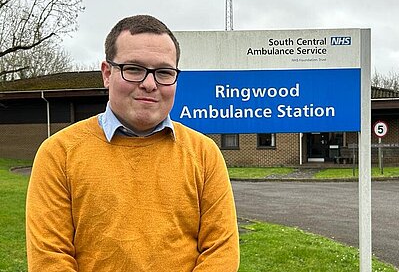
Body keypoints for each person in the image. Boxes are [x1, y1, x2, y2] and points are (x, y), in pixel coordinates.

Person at [26, 14, 240, 271]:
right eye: (134, 69)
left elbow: (221, 251)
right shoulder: (59, 153)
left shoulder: (204, 154)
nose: (150, 84)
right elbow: (50, 257)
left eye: (163, 72)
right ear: (107, 74)